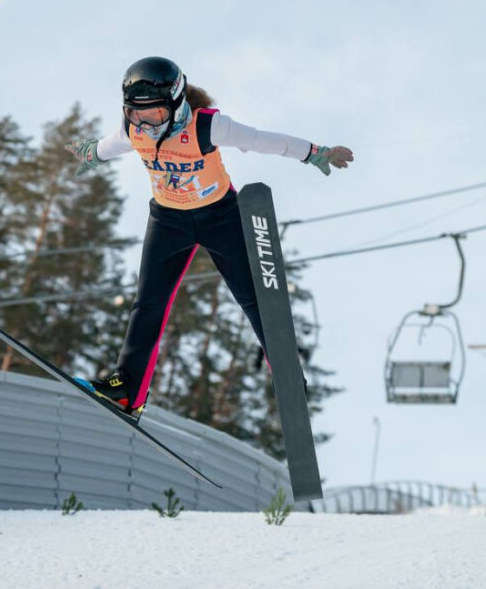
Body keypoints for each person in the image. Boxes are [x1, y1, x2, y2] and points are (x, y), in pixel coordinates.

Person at [67, 56, 353, 414]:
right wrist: (91, 153)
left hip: (220, 215)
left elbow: (264, 141)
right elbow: (109, 145)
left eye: (152, 114)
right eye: (134, 113)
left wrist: (313, 153)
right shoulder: (133, 130)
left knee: (252, 296)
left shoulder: (208, 126)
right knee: (148, 303)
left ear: (174, 103)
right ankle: (128, 390)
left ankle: (286, 373)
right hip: (168, 220)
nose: (143, 123)